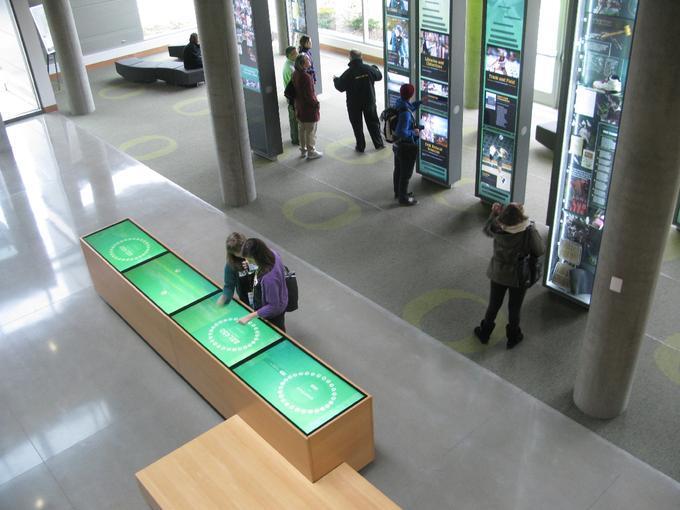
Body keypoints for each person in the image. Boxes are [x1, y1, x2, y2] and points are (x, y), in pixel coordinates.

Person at [474, 203, 545, 349]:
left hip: (498, 272)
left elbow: (487, 231)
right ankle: (513, 336)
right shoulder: (528, 232)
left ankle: (485, 332)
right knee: (514, 308)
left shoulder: (497, 227)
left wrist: (493, 214)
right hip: (518, 276)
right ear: (520, 216)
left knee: (494, 304)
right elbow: (540, 250)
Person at [333, 50, 385, 153]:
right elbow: (379, 76)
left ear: (350, 58)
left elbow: (340, 87)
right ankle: (378, 144)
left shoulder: (348, 73)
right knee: (373, 122)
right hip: (369, 101)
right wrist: (375, 68)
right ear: (361, 57)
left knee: (357, 125)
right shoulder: (368, 69)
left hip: (354, 104)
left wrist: (335, 80)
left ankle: (360, 146)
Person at [238, 238, 288, 332]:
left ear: (258, 257)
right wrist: (251, 266)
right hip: (279, 299)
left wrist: (249, 317)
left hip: (274, 314)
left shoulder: (269, 279)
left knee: (276, 333)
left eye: (250, 260)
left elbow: (273, 306)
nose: (247, 261)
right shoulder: (273, 254)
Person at [392, 83, 421, 206]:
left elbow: (408, 108)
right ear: (411, 95)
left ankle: (398, 192)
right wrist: (414, 132)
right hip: (406, 147)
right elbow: (402, 132)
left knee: (398, 169)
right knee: (406, 174)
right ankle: (403, 198)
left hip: (397, 145)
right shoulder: (405, 113)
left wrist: (419, 103)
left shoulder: (399, 103)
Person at [293, 54, 322, 160]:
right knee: (310, 130)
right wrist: (316, 104)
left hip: (299, 106)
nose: (309, 60)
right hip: (308, 109)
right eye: (307, 59)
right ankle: (311, 151)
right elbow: (309, 95)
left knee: (302, 129)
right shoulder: (306, 77)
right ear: (302, 64)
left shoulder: (295, 74)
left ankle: (303, 149)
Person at [217, 232, 256, 307]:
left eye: (242, 250)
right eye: (238, 253)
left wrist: (253, 265)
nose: (242, 254)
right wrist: (225, 298)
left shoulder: (257, 252)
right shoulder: (231, 265)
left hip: (266, 297)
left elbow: (270, 267)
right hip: (247, 301)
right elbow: (229, 286)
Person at [282, 46, 299, 146]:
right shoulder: (290, 68)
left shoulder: (289, 65)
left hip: (291, 96)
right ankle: (295, 139)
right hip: (293, 97)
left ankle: (295, 138)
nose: (296, 54)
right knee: (294, 119)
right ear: (289, 55)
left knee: (294, 118)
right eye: (294, 53)